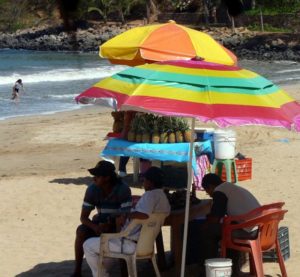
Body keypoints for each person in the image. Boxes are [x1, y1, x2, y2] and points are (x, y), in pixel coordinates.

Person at [83, 166, 171, 277]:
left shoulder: (150, 195)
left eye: (144, 180)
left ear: (150, 182)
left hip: (131, 244)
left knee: (88, 245)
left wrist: (126, 215)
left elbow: (144, 215)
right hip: (146, 245)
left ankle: (101, 275)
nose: (143, 183)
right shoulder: (163, 196)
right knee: (105, 257)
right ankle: (102, 273)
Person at [71, 160, 132, 277]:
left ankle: (125, 273)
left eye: (97, 176)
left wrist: (112, 224)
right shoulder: (92, 190)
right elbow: (83, 218)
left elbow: (125, 216)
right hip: (100, 224)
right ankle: (77, 271)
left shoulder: (123, 189)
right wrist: (95, 227)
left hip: (120, 226)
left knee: (121, 232)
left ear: (107, 178)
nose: (94, 179)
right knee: (81, 231)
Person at [199, 173, 261, 274]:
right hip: (260, 227)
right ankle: (233, 269)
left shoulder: (219, 191)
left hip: (249, 231)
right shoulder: (230, 187)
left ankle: (208, 268)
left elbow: (215, 218)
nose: (210, 195)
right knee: (227, 229)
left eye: (208, 192)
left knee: (208, 231)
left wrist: (206, 223)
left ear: (210, 187)